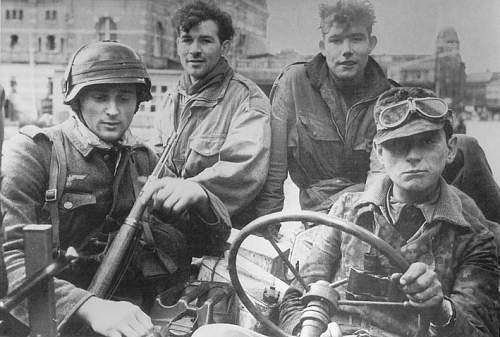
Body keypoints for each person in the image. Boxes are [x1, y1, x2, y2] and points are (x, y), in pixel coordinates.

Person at [193, 87, 500, 337]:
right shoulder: (347, 210)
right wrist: (307, 328)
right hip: (329, 331)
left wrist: (440, 309)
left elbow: (478, 332)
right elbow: (297, 295)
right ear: (379, 153)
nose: (414, 156)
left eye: (427, 141)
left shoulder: (475, 237)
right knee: (213, 334)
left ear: (451, 147)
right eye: (398, 145)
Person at [1, 41, 231, 337]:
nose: (113, 111)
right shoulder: (33, 154)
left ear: (137, 102)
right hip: (49, 321)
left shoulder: (144, 159)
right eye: (99, 97)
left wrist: (200, 198)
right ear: (77, 101)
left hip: (133, 315)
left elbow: (205, 244)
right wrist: (89, 306)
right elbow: (9, 265)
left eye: (124, 98)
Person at [253, 0, 500, 227]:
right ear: (323, 46)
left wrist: (377, 210)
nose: (346, 50)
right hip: (323, 209)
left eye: (357, 39)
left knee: (466, 148)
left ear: (371, 44)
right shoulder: (294, 82)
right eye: (336, 40)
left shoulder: (389, 96)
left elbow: (382, 174)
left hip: (381, 202)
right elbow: (274, 172)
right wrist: (265, 228)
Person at [149, 1, 271, 229]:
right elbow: (156, 160)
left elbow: (243, 173)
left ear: (224, 47)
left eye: (205, 40)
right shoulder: (173, 97)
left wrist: (193, 190)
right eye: (187, 40)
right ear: (177, 44)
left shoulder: (247, 100)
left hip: (223, 231)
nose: (194, 50)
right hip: (172, 223)